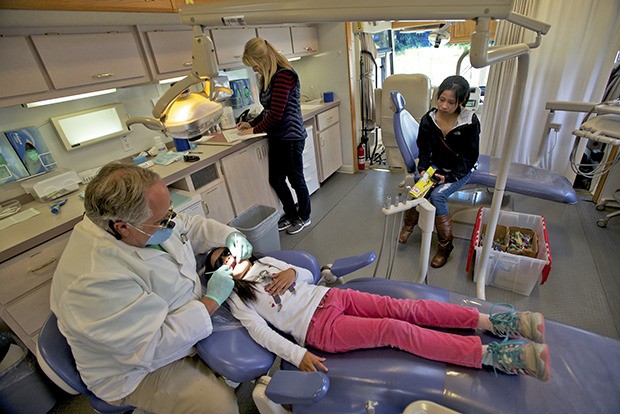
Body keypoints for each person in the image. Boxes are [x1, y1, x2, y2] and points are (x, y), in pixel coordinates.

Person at [50, 162, 255, 414]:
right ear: (122, 227)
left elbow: (186, 225)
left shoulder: (143, 220)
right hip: (135, 370)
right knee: (219, 406)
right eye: (162, 220)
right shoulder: (92, 280)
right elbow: (150, 346)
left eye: (169, 212)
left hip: (179, 317)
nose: (170, 222)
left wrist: (229, 234)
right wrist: (211, 301)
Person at [205, 247, 551, 382]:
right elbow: (262, 334)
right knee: (395, 329)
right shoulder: (237, 298)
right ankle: (493, 355)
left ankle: (492, 322)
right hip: (320, 328)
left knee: (407, 308)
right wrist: (299, 355)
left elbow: (309, 274)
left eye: (227, 253)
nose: (227, 261)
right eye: (219, 264)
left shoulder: (268, 261)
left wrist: (294, 274)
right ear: (220, 275)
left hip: (332, 296)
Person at [399, 75, 480, 268]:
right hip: (436, 165)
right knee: (418, 189)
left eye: (450, 102)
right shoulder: (429, 119)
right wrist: (424, 170)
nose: (444, 106)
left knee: (438, 196)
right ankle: (409, 225)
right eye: (441, 99)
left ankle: (445, 246)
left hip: (460, 169)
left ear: (461, 102)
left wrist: (450, 177)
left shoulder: (469, 122)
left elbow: (470, 157)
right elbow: (424, 150)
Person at [237, 37, 311, 235]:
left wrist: (253, 130)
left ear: (263, 60)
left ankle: (304, 216)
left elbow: (277, 114)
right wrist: (251, 123)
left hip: (291, 137)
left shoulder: (284, 76)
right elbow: (269, 110)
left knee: (296, 180)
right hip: (277, 137)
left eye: (254, 65)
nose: (254, 70)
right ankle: (291, 213)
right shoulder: (268, 77)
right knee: (276, 180)